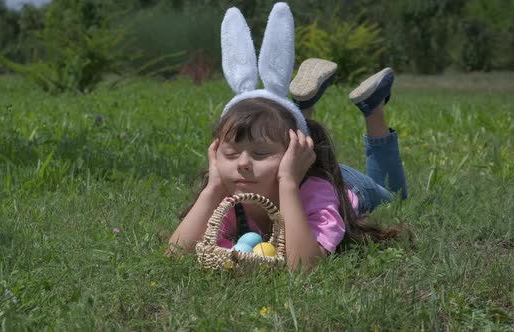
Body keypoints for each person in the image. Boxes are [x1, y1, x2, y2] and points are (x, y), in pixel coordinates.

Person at [168, 3, 407, 272]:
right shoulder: (229, 193)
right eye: (231, 153)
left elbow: (303, 266)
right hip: (294, 163)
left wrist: (289, 185)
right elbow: (175, 253)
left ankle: (373, 108)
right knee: (273, 125)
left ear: (296, 153)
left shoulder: (317, 192)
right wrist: (212, 187)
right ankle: (298, 109)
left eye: (260, 154)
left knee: (395, 193)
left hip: (347, 184)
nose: (243, 163)